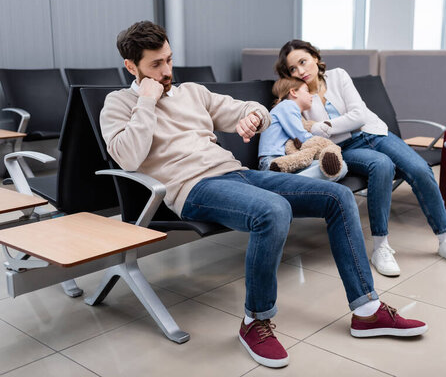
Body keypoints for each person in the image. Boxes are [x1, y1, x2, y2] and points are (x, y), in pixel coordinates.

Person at [100, 21, 427, 369]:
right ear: (132, 67)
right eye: (156, 65)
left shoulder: (192, 92)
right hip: (193, 188)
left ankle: (367, 311)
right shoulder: (119, 104)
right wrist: (146, 103)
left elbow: (250, 109)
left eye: (169, 60)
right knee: (272, 211)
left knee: (338, 197)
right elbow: (128, 156)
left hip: (236, 174)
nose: (167, 71)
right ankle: (254, 321)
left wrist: (253, 118)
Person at [275, 39, 446, 278]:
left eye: (303, 62)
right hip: (344, 148)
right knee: (381, 165)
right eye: (293, 69)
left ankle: (445, 239)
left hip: (376, 133)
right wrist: (324, 129)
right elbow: (303, 131)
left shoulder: (338, 76)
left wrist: (323, 126)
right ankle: (381, 248)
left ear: (315, 58)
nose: (300, 71)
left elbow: (358, 116)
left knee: (419, 168)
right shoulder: (299, 96)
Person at [258, 77, 348, 181]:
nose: (311, 96)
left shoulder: (292, 112)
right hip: (273, 162)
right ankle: (284, 184)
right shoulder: (287, 105)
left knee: (336, 167)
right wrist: (323, 145)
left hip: (286, 161)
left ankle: (287, 183)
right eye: (307, 90)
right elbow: (301, 137)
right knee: (337, 167)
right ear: (293, 92)